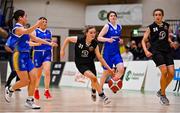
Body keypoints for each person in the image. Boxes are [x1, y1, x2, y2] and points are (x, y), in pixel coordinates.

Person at [4, 9, 57, 109]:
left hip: (27, 56)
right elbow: (27, 31)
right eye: (26, 16)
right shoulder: (17, 28)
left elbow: (36, 39)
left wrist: (49, 43)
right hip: (18, 56)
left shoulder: (23, 28)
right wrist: (37, 24)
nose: (27, 18)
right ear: (20, 18)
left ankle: (29, 100)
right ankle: (10, 89)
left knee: (34, 78)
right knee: (25, 81)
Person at [60, 25, 114, 104]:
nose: (93, 34)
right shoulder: (79, 39)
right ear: (86, 33)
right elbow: (67, 39)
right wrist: (62, 50)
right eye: (91, 33)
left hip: (90, 63)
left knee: (94, 80)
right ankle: (103, 96)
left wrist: (109, 69)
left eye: (94, 33)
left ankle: (93, 90)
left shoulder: (95, 44)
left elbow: (100, 57)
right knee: (93, 77)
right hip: (80, 64)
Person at [141, 8, 176, 105]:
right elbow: (143, 40)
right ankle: (163, 95)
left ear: (162, 16)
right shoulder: (150, 27)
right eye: (156, 14)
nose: (158, 16)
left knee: (172, 74)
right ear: (154, 16)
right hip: (156, 52)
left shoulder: (166, 25)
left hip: (167, 51)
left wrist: (171, 42)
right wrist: (146, 50)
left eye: (159, 14)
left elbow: (167, 37)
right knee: (164, 72)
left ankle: (161, 90)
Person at [97, 11, 124, 91]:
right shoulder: (107, 26)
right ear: (108, 18)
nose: (113, 17)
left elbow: (117, 37)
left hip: (116, 53)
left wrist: (120, 40)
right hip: (107, 53)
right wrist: (107, 39)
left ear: (116, 17)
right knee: (106, 73)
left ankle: (113, 84)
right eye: (111, 16)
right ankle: (100, 89)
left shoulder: (119, 26)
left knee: (121, 70)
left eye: (114, 15)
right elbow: (99, 37)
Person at [33, 17, 53, 100]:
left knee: (47, 71)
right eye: (43, 22)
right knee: (38, 75)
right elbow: (31, 42)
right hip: (38, 53)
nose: (45, 23)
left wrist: (52, 43)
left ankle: (47, 90)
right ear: (39, 23)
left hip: (47, 53)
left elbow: (50, 42)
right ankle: (36, 89)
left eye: (46, 22)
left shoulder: (49, 32)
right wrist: (37, 44)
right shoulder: (35, 31)